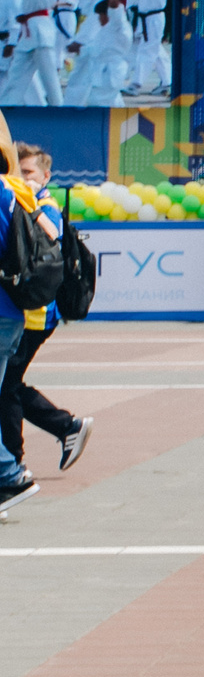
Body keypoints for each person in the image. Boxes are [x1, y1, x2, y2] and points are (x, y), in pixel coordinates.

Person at [0, 145, 89, 474]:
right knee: (9, 384)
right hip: (25, 312)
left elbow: (47, 244)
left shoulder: (45, 207)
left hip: (35, 313)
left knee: (6, 387)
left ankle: (14, 461)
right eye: (18, 172)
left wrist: (31, 205)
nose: (23, 178)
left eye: (29, 173)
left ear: (45, 176)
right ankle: (65, 427)